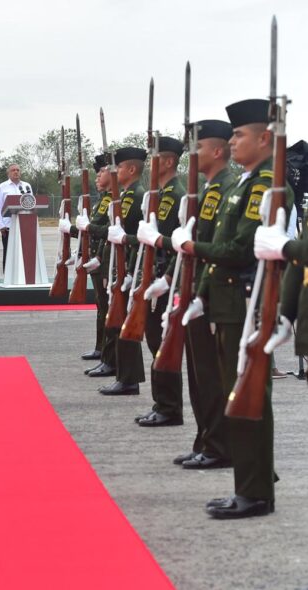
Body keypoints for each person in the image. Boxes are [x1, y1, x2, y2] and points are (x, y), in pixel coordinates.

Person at [173, 99, 293, 518]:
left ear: (264, 138)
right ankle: (249, 483)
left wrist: (190, 246)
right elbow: (221, 249)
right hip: (225, 302)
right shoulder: (243, 184)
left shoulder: (265, 185)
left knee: (249, 395)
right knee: (236, 395)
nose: (233, 140)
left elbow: (239, 247)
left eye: (239, 134)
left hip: (245, 301)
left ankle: (256, 491)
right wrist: (202, 294)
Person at [142, 121, 236, 465]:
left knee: (210, 377)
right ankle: (205, 441)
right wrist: (170, 278)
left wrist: (173, 246)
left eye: (198, 148)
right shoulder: (209, 189)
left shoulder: (226, 189)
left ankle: (217, 446)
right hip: (195, 289)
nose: (192, 155)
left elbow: (218, 246)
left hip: (214, 295)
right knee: (200, 377)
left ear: (215, 151)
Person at [127, 136, 184, 426]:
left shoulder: (175, 194)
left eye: (156, 158)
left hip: (165, 276)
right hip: (156, 273)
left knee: (162, 343)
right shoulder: (161, 193)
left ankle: (169, 407)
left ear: (170, 161)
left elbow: (177, 239)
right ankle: (162, 403)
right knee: (154, 341)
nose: (150, 163)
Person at [88, 147, 147, 395]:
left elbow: (131, 235)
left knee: (123, 321)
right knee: (116, 318)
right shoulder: (125, 195)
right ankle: (124, 374)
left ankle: (128, 377)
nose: (114, 172)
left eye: (119, 167)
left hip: (129, 266)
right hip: (118, 264)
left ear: (131, 169)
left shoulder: (135, 196)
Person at [59, 155, 113, 368]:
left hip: (103, 261)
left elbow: (96, 230)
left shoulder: (110, 200)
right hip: (96, 258)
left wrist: (72, 229)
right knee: (101, 306)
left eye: (102, 172)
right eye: (97, 173)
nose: (98, 177)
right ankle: (102, 349)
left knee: (106, 308)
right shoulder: (102, 200)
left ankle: (107, 354)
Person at [0, 164, 32, 271]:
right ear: (8, 173)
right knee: (9, 252)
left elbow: (33, 204)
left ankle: (24, 275)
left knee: (24, 252)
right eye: (13, 170)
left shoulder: (26, 186)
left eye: (18, 170)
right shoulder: (2, 186)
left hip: (24, 225)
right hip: (8, 226)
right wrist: (1, 225)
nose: (16, 172)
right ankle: (7, 275)